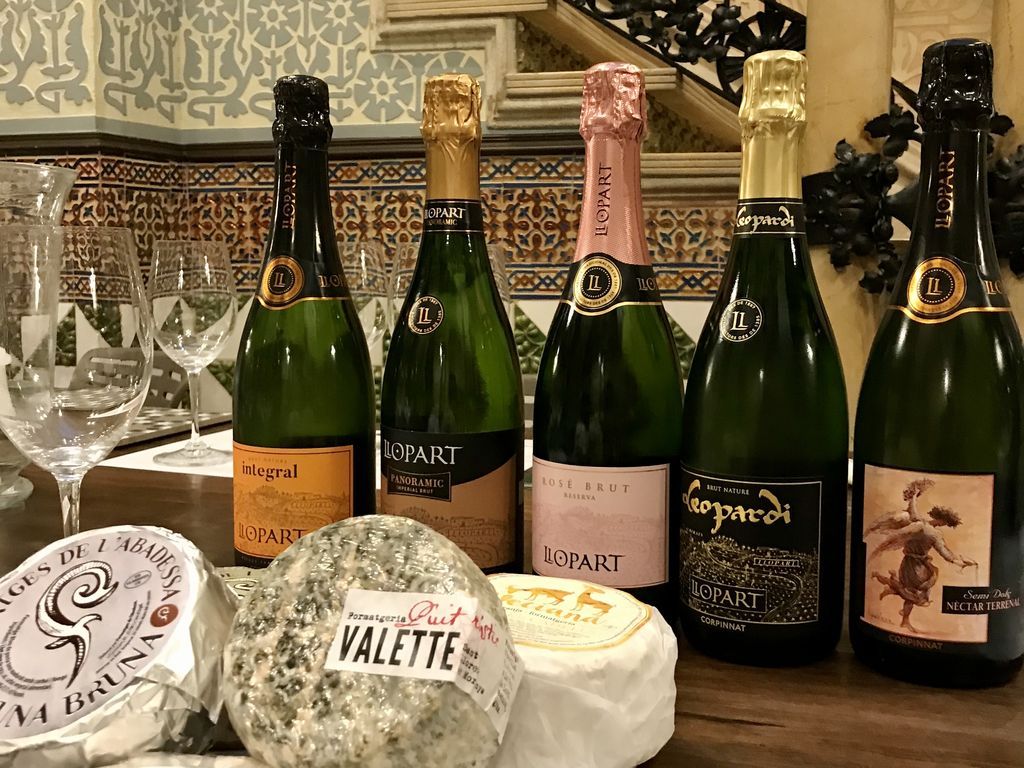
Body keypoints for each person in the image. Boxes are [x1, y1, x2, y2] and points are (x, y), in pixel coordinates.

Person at [867, 484, 977, 634]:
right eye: (945, 522)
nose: (944, 524)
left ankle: (889, 591)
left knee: (907, 590)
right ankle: (904, 619)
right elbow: (946, 555)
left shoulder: (919, 523)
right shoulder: (934, 534)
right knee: (914, 595)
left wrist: (914, 496)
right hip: (919, 567)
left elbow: (913, 512)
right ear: (942, 520)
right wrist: (961, 563)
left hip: (907, 563)